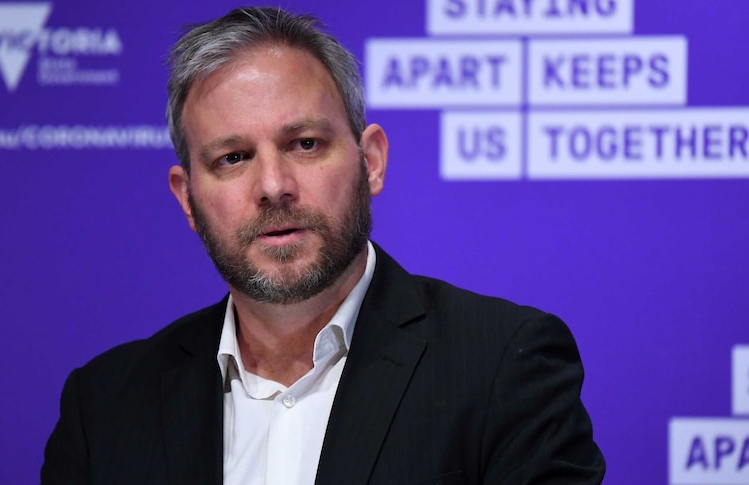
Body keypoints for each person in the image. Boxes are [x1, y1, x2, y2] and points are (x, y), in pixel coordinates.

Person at [41, 6, 605, 484]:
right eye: (232, 158)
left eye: (305, 143)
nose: (272, 186)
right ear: (187, 198)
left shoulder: (504, 368)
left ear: (372, 162)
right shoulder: (106, 406)